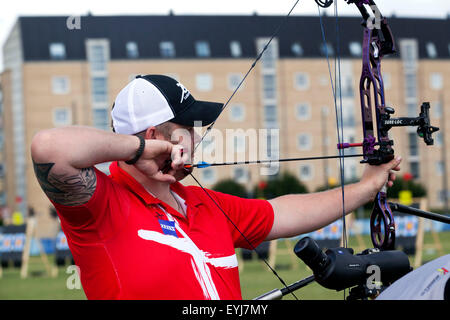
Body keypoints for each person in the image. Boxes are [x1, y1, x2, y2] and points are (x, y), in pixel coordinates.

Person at [31, 74, 401, 300]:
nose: (196, 136)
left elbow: (285, 211)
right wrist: (142, 151)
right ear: (155, 134)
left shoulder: (202, 204)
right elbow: (48, 149)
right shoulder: (101, 205)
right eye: (187, 128)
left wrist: (368, 187)